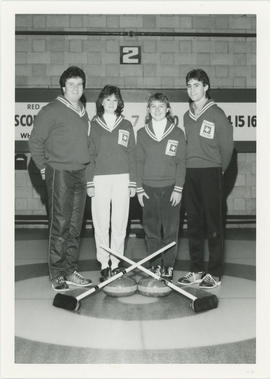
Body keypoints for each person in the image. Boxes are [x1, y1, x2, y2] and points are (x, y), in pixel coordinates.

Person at [29, 66, 92, 292]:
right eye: (71, 84)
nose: (75, 88)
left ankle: (70, 269)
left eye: (79, 84)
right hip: (60, 173)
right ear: (63, 87)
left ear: (83, 87)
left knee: (75, 226)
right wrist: (45, 169)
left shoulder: (84, 111)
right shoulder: (51, 110)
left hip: (80, 173)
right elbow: (35, 142)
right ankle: (57, 273)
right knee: (60, 224)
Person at [178, 68, 234, 289]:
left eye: (197, 85)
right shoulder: (186, 115)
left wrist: (218, 171)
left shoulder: (217, 114)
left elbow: (227, 148)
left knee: (214, 224)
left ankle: (215, 272)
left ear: (206, 87)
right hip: (190, 173)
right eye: (189, 85)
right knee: (193, 224)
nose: (192, 89)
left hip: (211, 172)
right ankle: (196, 269)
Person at [86, 85, 136, 282]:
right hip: (99, 178)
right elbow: (89, 154)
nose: (111, 103)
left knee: (120, 222)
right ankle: (103, 263)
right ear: (101, 102)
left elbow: (132, 154)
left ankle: (115, 264)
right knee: (100, 222)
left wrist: (132, 182)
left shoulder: (126, 125)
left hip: (122, 178)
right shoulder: (94, 124)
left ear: (119, 103)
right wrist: (89, 181)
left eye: (115, 100)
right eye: (108, 100)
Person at [136, 93, 186, 280]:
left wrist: (178, 188)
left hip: (171, 188)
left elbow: (181, 163)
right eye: (153, 106)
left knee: (171, 230)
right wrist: (139, 189)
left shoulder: (177, 133)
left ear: (168, 109)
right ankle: (156, 265)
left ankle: (169, 266)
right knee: (152, 231)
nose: (157, 110)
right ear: (148, 110)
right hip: (148, 189)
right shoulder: (141, 133)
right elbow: (138, 162)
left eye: (161, 106)